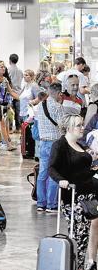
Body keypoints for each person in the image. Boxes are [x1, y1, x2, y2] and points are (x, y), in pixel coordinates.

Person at [49, 114, 98, 270]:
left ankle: (86, 264)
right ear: (69, 128)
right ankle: (78, 265)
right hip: (73, 196)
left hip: (90, 193)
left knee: (87, 231)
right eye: (79, 125)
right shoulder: (60, 145)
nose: (82, 127)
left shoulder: (80, 145)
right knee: (80, 233)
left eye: (82, 124)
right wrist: (60, 180)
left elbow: (83, 168)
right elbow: (52, 168)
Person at [35, 82, 64, 213]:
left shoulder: (39, 105)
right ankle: (51, 205)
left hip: (42, 142)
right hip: (55, 143)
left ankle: (41, 203)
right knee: (54, 174)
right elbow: (62, 126)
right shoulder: (58, 107)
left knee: (42, 173)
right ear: (58, 93)